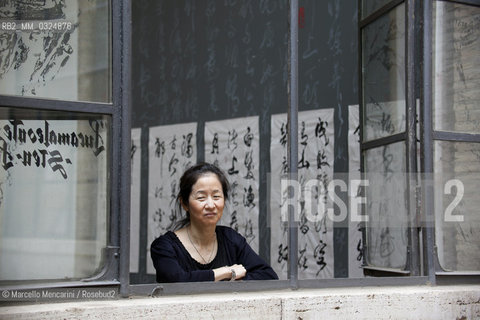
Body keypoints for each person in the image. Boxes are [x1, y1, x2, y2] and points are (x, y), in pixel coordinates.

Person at [150, 162, 278, 282]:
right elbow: (177, 281)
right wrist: (227, 272)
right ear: (184, 203)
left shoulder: (231, 239)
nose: (211, 205)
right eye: (201, 197)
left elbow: (268, 276)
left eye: (216, 196)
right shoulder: (164, 246)